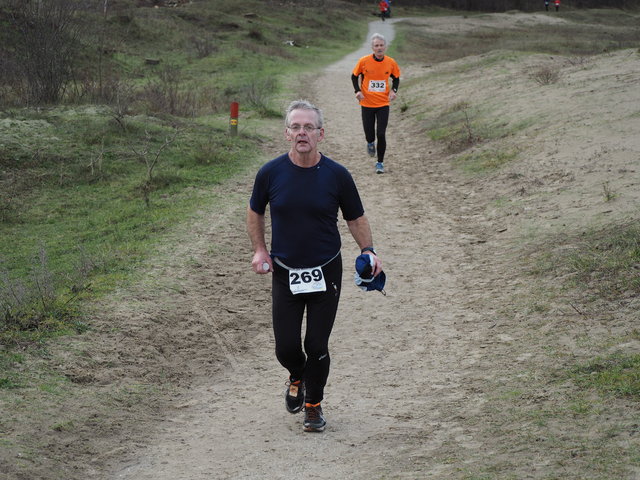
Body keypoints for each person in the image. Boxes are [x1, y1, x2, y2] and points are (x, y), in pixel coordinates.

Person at [247, 100, 383, 433]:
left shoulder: (337, 175)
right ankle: (297, 375)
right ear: (287, 133)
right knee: (287, 348)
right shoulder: (270, 173)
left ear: (321, 134)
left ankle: (313, 405)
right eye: (296, 127)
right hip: (285, 273)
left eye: (309, 127)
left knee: (317, 346)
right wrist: (260, 250)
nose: (302, 132)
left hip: (326, 271)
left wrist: (369, 250)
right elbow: (255, 212)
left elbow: (355, 217)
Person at [351, 33, 401, 174]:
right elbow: (354, 76)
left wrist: (394, 91)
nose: (379, 48)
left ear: (385, 47)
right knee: (369, 134)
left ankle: (380, 163)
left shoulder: (391, 62)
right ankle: (370, 142)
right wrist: (357, 91)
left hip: (383, 104)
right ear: (372, 48)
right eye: (376, 45)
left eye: (381, 45)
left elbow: (396, 78)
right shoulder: (364, 61)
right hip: (367, 103)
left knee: (381, 133)